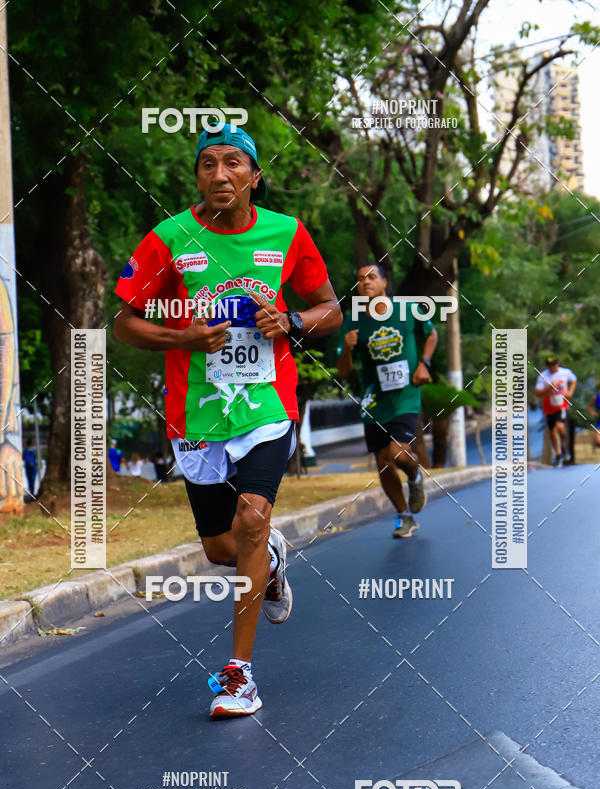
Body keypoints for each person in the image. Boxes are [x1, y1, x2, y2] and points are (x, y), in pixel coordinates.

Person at [114, 122, 341, 719]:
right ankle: (267, 564)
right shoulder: (170, 238)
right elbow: (125, 321)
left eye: (234, 163)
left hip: (268, 405)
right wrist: (183, 334)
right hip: (196, 413)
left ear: (254, 176)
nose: (220, 174)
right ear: (198, 176)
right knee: (221, 548)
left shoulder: (287, 233)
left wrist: (291, 322)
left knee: (252, 516)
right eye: (208, 164)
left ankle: (239, 675)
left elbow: (331, 310)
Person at [337, 263, 438, 538]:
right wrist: (347, 348)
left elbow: (431, 334)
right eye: (360, 279)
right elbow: (343, 371)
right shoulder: (354, 319)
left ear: (384, 283)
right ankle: (405, 516)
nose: (365, 282)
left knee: (397, 451)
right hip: (373, 399)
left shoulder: (406, 308)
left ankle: (415, 478)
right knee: (383, 461)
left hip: (405, 394)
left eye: (371, 277)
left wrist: (424, 364)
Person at [535, 356, 577, 466]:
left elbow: (573, 380)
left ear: (557, 364)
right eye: (549, 366)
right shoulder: (543, 376)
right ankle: (558, 455)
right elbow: (538, 393)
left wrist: (571, 392)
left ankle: (564, 448)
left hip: (561, 403)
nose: (552, 368)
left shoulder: (566, 372)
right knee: (552, 431)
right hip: (549, 404)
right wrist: (548, 388)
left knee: (560, 426)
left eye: (553, 365)